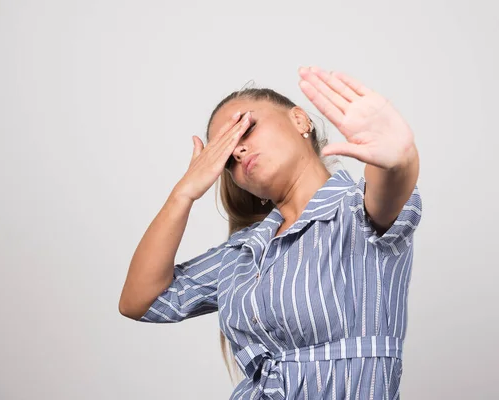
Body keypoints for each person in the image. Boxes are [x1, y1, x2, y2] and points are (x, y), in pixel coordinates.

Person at [119, 65, 422, 399]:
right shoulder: (243, 252)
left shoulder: (356, 212)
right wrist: (184, 193)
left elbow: (391, 183)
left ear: (300, 120)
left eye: (245, 129)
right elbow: (139, 301)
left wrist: (400, 158)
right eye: (226, 157)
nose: (238, 151)